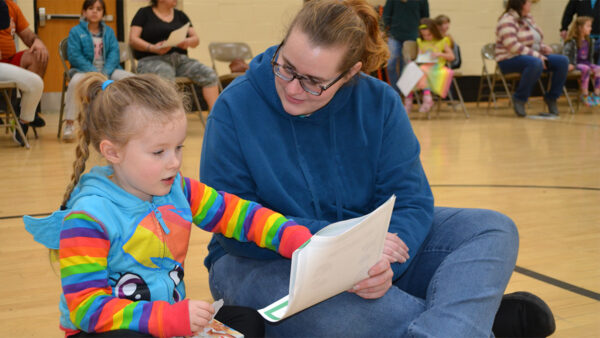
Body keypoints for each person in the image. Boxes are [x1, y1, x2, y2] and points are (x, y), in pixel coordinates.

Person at [200, 1, 554, 336]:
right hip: (260, 257)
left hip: (376, 246)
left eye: (313, 81)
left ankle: (454, 322)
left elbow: (412, 200)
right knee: (329, 315)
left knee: (491, 229)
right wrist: (347, 249)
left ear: (350, 73)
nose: (292, 87)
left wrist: (384, 264)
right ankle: (474, 322)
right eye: (286, 67)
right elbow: (231, 222)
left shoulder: (379, 102)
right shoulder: (235, 107)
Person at [23, 73, 313, 337]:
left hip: (167, 321)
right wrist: (167, 317)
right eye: (159, 151)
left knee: (247, 322)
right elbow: (87, 310)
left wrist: (291, 236)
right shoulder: (88, 218)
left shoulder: (178, 190)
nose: (174, 162)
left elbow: (236, 214)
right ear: (112, 152)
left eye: (178, 147)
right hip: (107, 329)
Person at [62, 0, 133, 141]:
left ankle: (132, 122)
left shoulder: (109, 32)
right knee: (75, 82)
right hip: (84, 70)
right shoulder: (76, 31)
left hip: (108, 70)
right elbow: (75, 56)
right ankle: (69, 124)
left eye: (99, 9)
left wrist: (105, 72)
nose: (95, 11)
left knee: (131, 79)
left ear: (103, 14)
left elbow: (114, 53)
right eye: (90, 8)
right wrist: (94, 72)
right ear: (84, 12)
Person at [129, 0, 219, 111]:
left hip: (179, 60)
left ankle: (215, 116)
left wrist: (187, 42)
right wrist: (152, 48)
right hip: (151, 59)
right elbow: (133, 39)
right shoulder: (143, 13)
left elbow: (195, 39)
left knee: (208, 73)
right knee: (165, 73)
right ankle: (169, 118)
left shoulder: (181, 15)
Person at [495, 0, 569, 117]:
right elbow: (513, 46)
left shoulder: (528, 19)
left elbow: (534, 41)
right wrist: (538, 56)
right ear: (521, 3)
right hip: (508, 59)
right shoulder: (507, 20)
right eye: (529, 2)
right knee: (535, 63)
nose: (531, 5)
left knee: (562, 61)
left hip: (530, 57)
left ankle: (551, 97)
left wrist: (543, 47)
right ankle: (519, 98)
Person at [0, 0, 47, 140]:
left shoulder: (9, 6)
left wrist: (36, 41)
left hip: (8, 62)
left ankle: (25, 117)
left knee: (39, 55)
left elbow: (26, 34)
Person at [404, 18, 454, 113]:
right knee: (410, 70)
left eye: (429, 35)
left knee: (421, 71)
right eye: (424, 35)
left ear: (434, 31)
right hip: (425, 66)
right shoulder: (421, 42)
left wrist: (439, 54)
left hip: (437, 67)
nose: (426, 37)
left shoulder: (442, 41)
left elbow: (451, 56)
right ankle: (409, 100)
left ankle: (427, 98)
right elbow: (419, 56)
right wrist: (415, 61)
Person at [382, 0, 429, 95]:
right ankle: (395, 92)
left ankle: (406, 93)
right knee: (390, 64)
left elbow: (425, 18)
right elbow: (386, 15)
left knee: (407, 66)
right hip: (394, 36)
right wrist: (382, 30)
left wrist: (424, 34)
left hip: (413, 36)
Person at [563, 16, 600, 106]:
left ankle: (596, 94)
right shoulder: (571, 41)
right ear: (580, 28)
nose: (590, 28)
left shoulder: (590, 41)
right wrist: (569, 63)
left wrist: (592, 65)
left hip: (586, 63)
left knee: (598, 68)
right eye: (588, 26)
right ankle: (585, 95)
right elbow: (565, 55)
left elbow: (590, 57)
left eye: (590, 26)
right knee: (585, 68)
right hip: (575, 64)